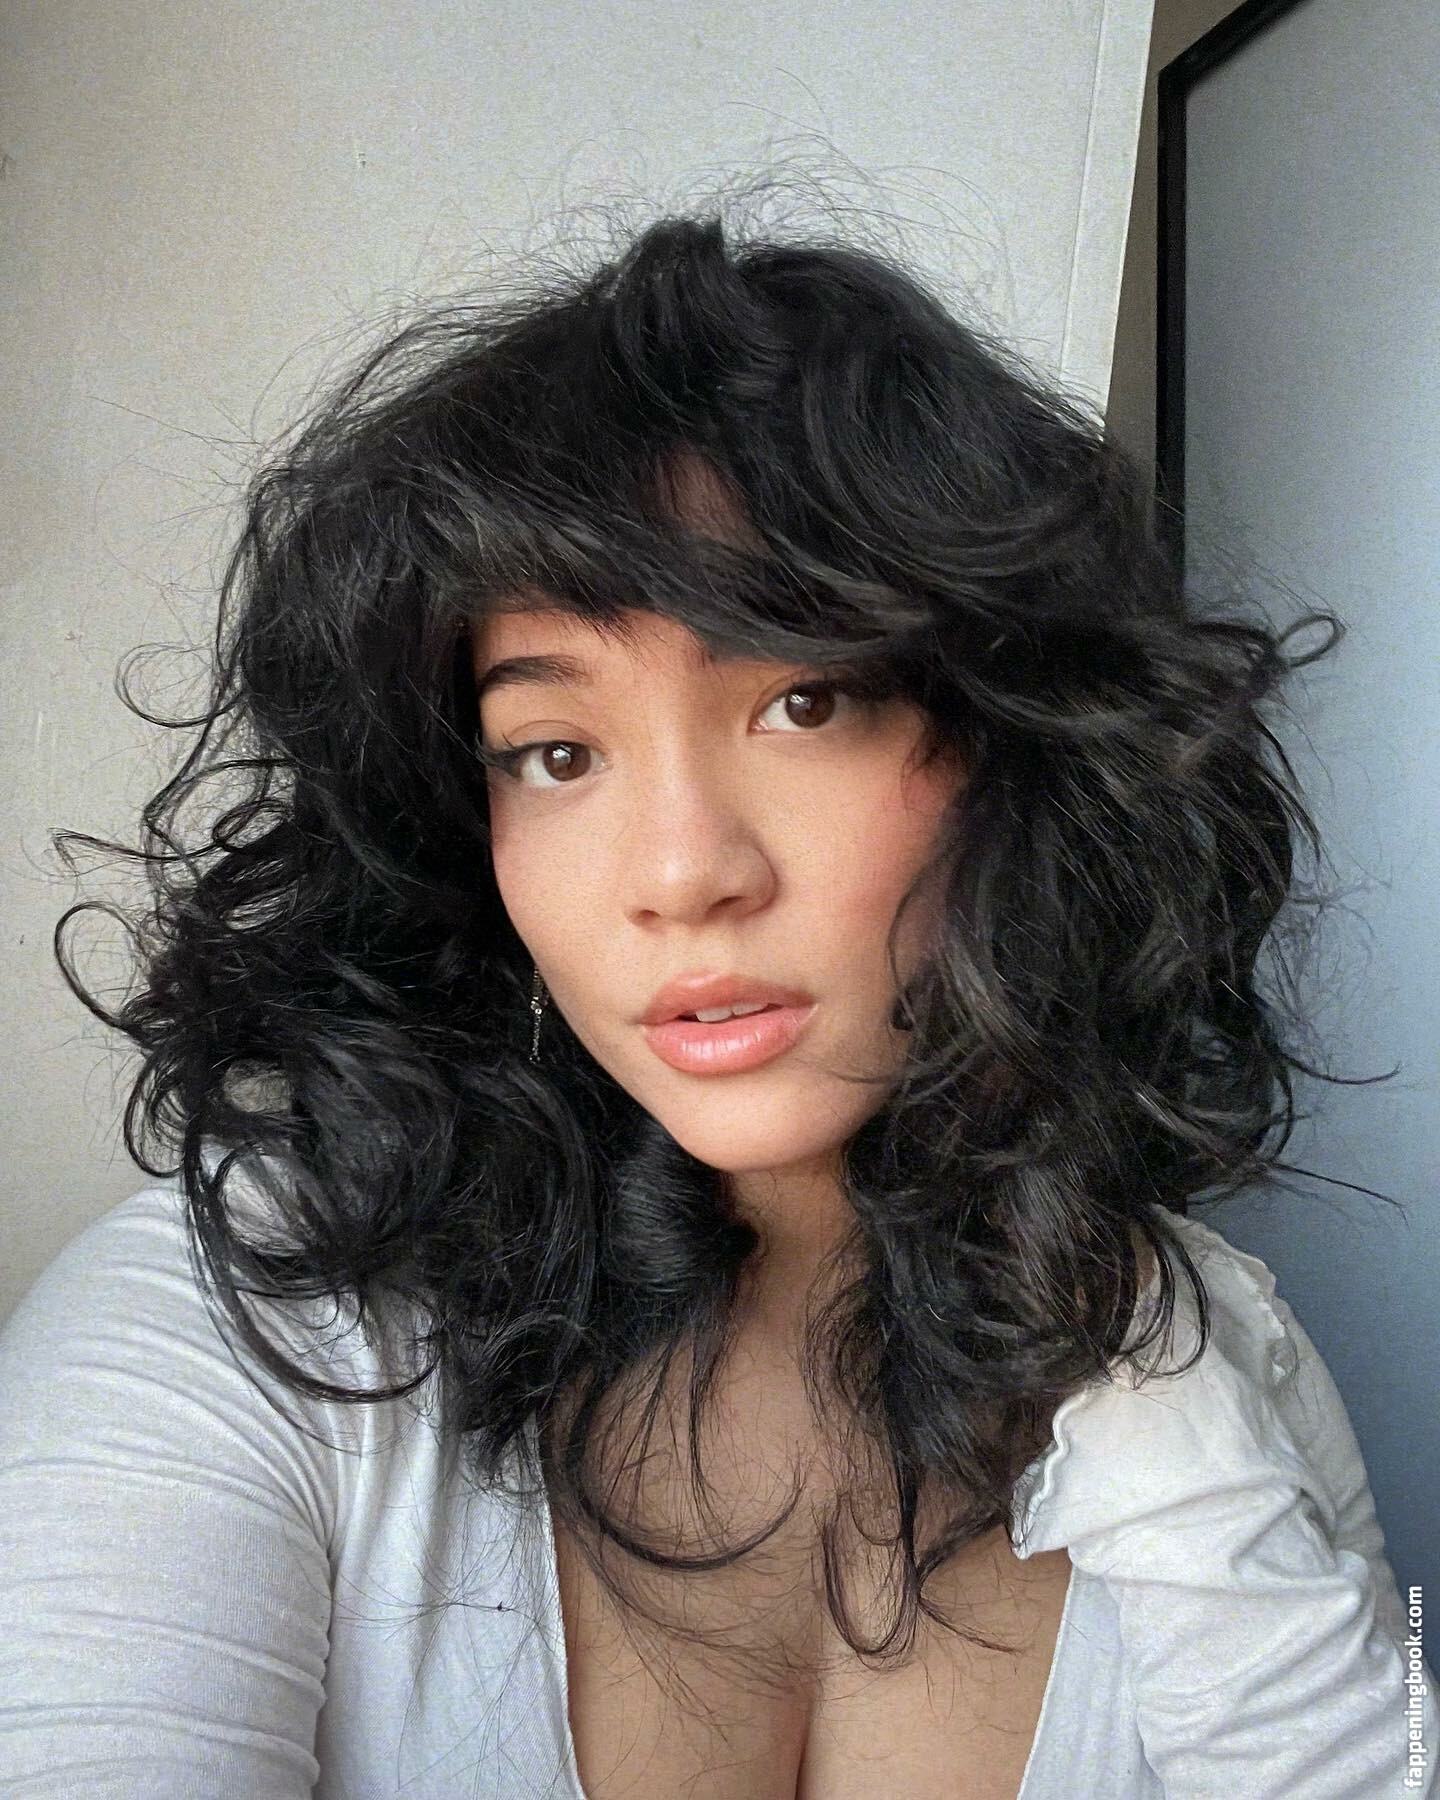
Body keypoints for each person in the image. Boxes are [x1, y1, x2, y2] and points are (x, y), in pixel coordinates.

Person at [1, 202, 1434, 1799]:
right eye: (556, 752)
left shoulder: (1216, 1353)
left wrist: (1137, 1357)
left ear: (1015, 745)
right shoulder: (229, 1332)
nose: (683, 873)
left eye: (804, 702)